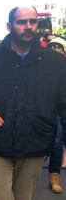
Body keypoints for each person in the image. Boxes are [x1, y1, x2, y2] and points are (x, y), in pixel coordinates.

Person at [0, 6, 66, 200]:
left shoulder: (55, 63)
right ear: (9, 26)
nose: (28, 26)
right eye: (22, 22)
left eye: (32, 22)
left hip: (34, 145)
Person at [46, 37, 66, 193]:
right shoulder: (40, 66)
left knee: (57, 142)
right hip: (41, 109)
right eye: (52, 47)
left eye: (59, 48)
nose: (55, 49)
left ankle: (54, 174)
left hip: (60, 111)